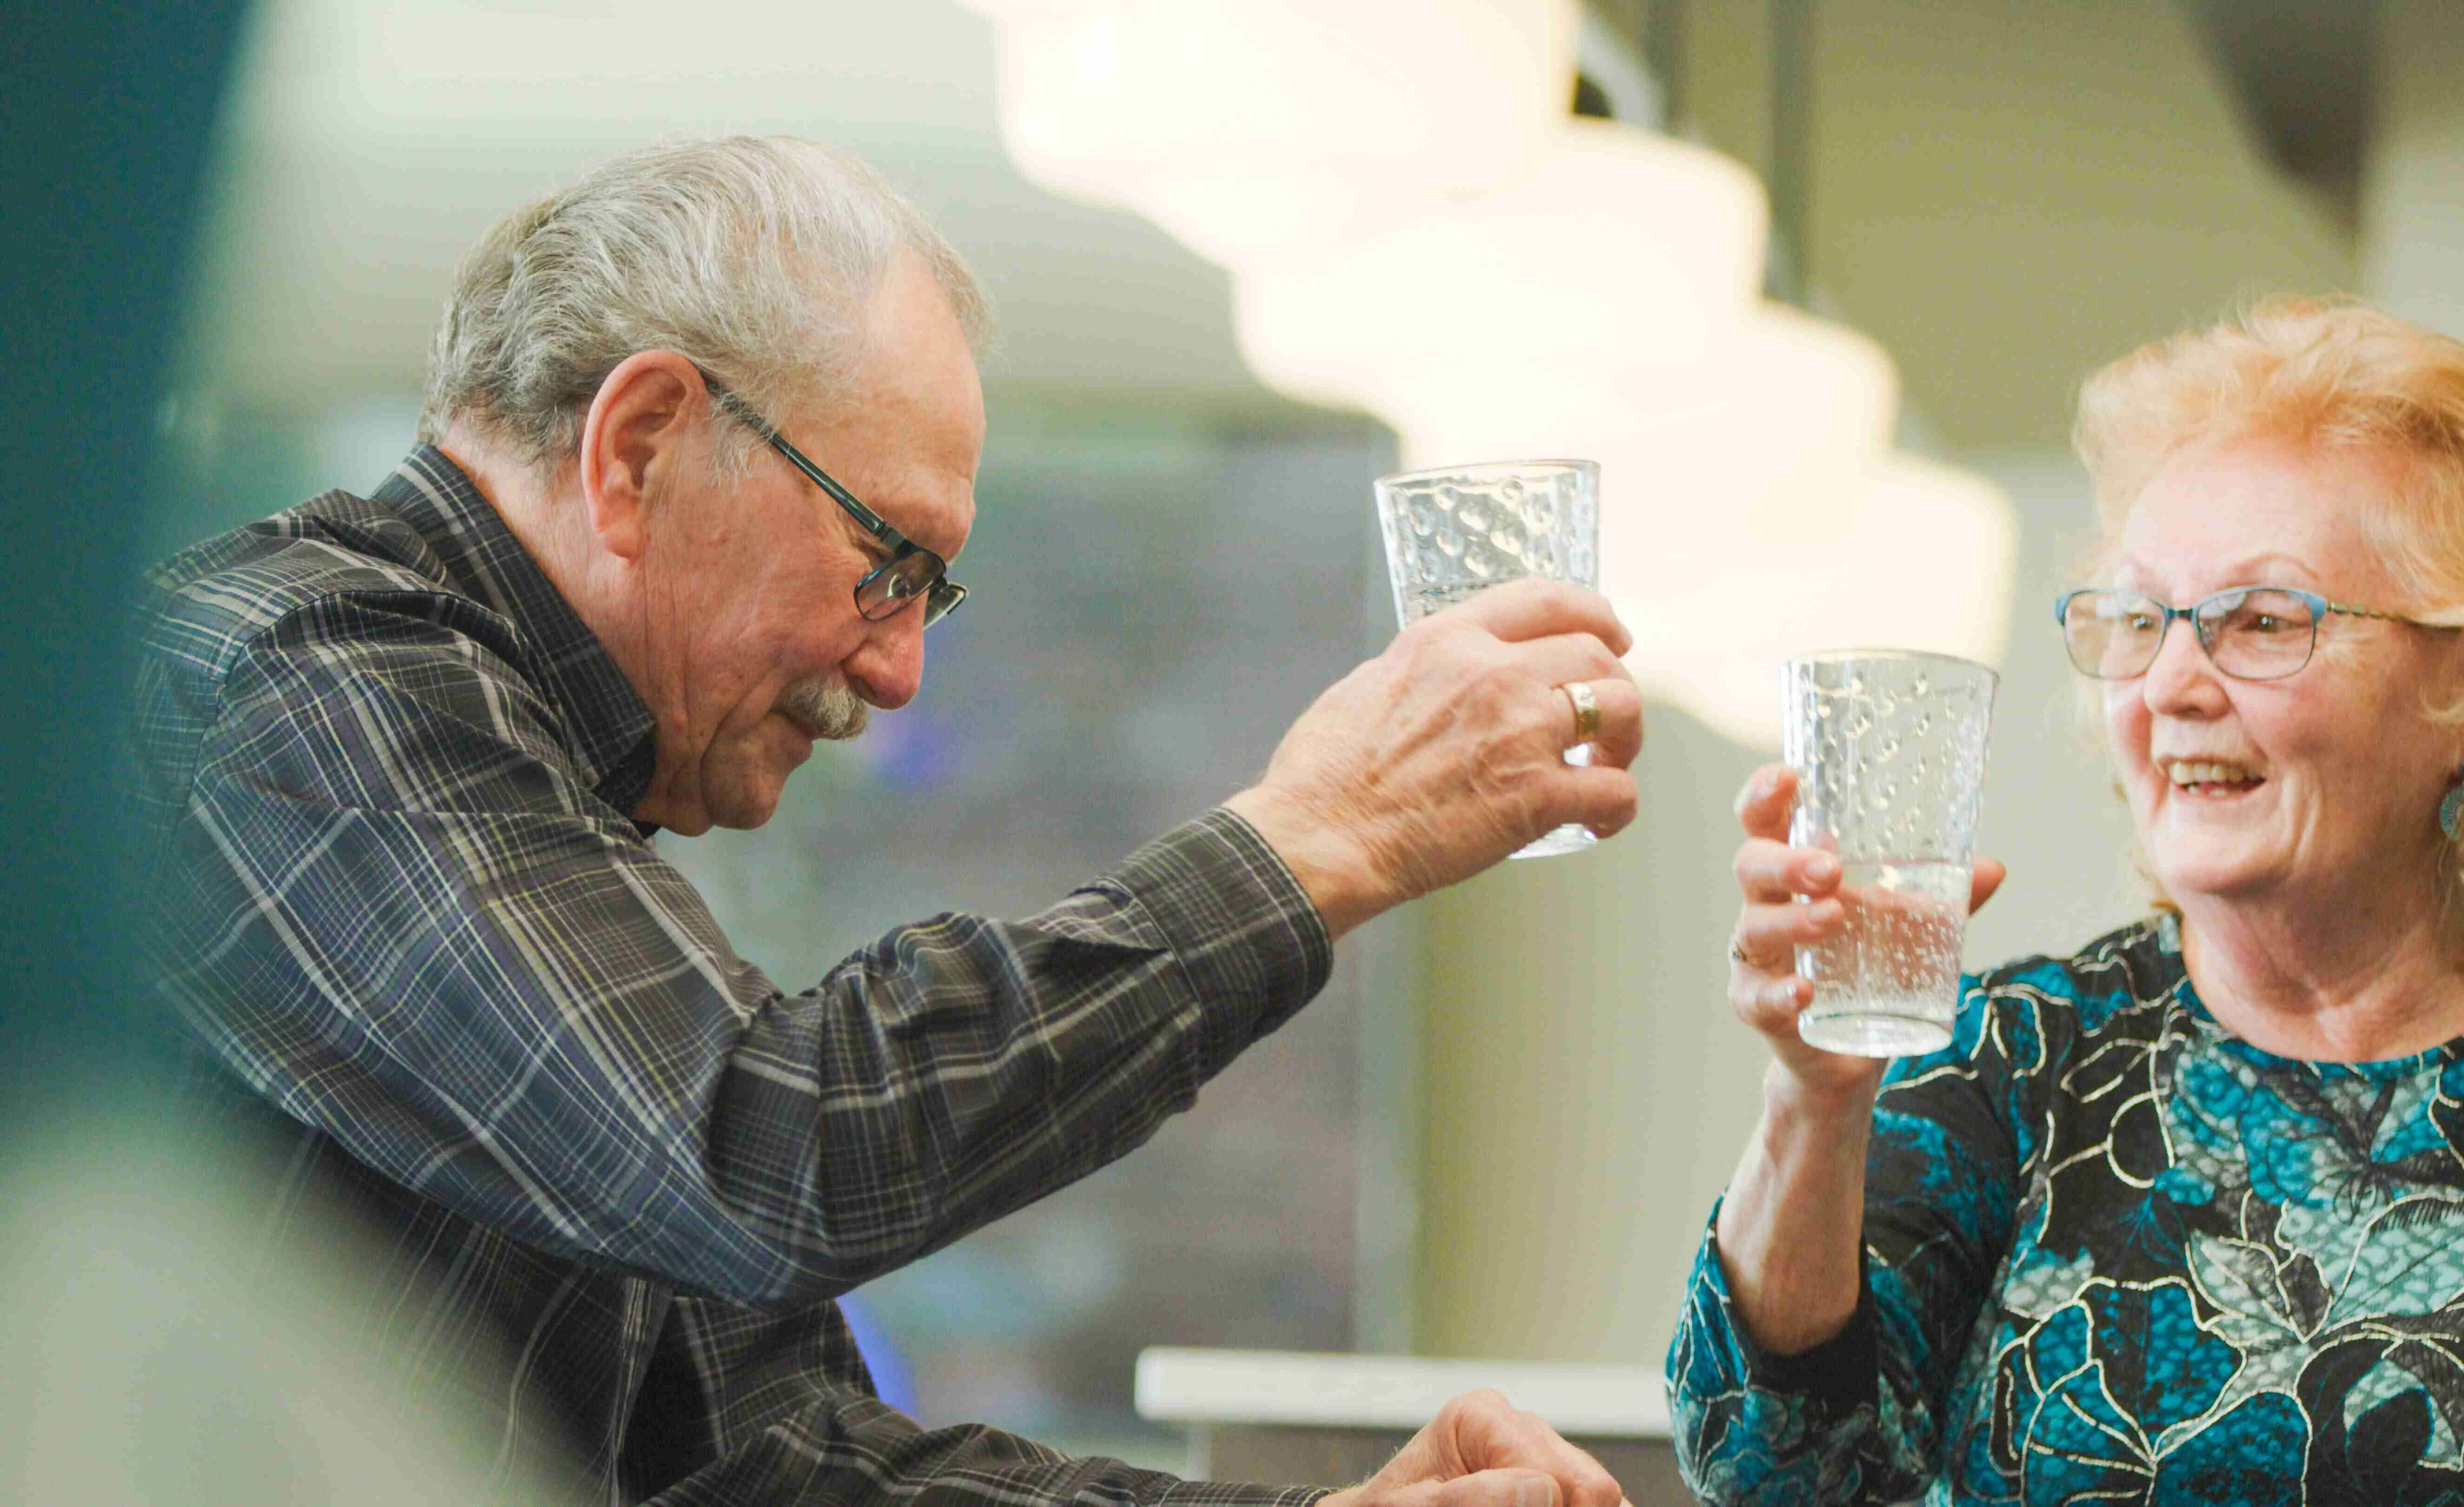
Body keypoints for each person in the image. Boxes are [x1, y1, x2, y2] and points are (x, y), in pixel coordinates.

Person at [129, 136, 1648, 1507]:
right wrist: (1320, 837)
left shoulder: (537, 795)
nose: (900, 667)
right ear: (643, 446)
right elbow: (769, 1152)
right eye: (885, 558)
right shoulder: (292, 684)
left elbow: (770, 1456)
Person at [1670, 299, 2464, 1504]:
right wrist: (1812, 1101)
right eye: (2141, 621)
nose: (2169, 682)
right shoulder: (2009, 1056)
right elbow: (1781, 1472)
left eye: (2263, 622)